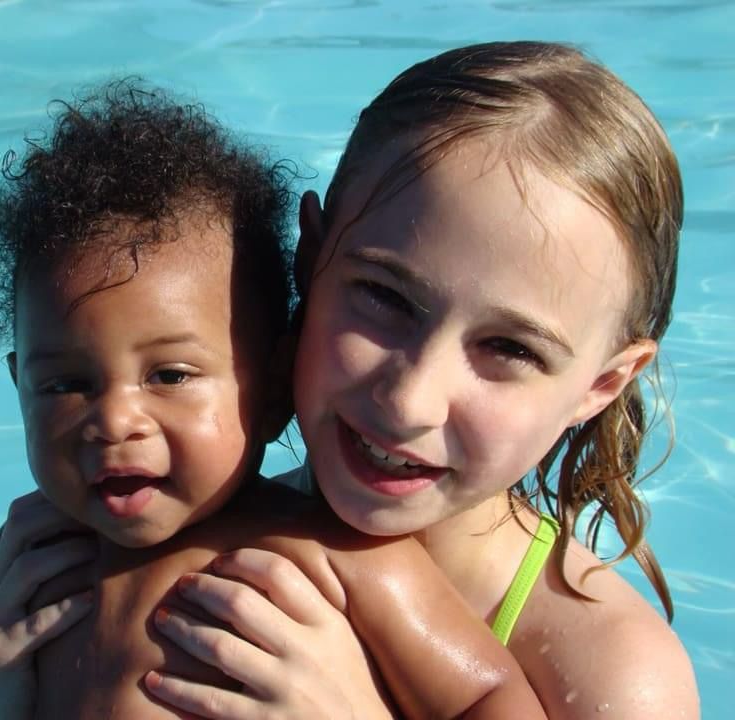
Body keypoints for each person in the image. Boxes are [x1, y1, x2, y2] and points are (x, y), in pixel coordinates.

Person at [0, 78, 545, 720]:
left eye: (170, 376)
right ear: (18, 388)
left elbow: (488, 696)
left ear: (273, 385)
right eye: (65, 384)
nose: (112, 420)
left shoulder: (331, 559)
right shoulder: (37, 550)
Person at [139, 41, 701, 719]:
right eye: (386, 298)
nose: (409, 401)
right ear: (311, 260)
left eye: (509, 348)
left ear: (600, 386)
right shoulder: (182, 528)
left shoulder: (614, 675)